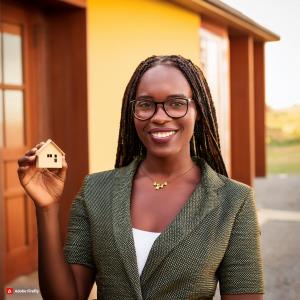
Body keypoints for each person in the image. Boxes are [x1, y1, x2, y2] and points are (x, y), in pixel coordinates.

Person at [18, 55, 264, 300]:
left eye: (176, 103)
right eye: (145, 104)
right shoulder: (95, 190)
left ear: (198, 110)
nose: (159, 116)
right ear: (132, 112)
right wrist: (47, 208)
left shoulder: (234, 201)